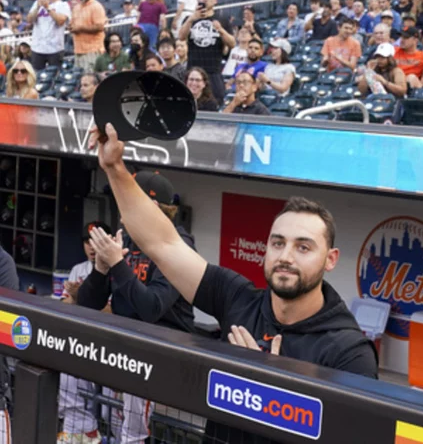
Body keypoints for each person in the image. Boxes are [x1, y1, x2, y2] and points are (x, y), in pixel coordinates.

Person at [86, 124, 378, 443]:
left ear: (331, 259)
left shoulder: (349, 351)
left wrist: (274, 391)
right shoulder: (238, 299)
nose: (286, 256)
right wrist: (114, 168)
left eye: (304, 247)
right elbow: (163, 243)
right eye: (278, 243)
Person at [79, 170, 196, 443]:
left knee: (132, 433)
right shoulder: (129, 239)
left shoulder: (179, 246)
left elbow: (151, 308)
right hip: (126, 349)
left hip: (162, 355)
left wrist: (118, 266)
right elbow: (87, 304)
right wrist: (100, 268)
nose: (121, 214)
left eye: (128, 204)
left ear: (151, 207)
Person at [57, 223, 112, 444]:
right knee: (72, 386)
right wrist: (75, 298)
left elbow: (110, 310)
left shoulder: (114, 270)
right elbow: (64, 303)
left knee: (111, 410)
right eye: (87, 242)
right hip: (81, 341)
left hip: (108, 343)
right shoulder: (78, 269)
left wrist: (81, 298)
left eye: (95, 241)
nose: (91, 247)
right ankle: (83, 434)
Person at [179, 0, 235, 104]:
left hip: (213, 71)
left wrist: (220, 30)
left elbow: (232, 43)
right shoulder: (190, 18)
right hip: (193, 70)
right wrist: (191, 19)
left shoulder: (222, 19)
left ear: (215, 0)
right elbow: (181, 37)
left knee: (215, 104)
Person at [27, 0, 71, 71]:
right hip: (37, 47)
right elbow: (29, 20)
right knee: (37, 75)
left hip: (55, 48)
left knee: (55, 74)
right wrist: (38, 8)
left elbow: (60, 21)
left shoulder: (63, 5)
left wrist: (48, 7)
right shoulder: (37, 3)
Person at [69, 0, 107, 73]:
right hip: (78, 50)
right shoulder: (76, 7)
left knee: (91, 78)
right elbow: (73, 24)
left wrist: (80, 28)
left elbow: (100, 27)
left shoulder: (96, 6)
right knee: (80, 79)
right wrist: (70, 27)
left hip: (92, 50)